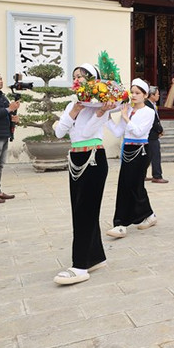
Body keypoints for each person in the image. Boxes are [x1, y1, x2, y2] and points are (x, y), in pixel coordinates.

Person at [52, 64, 115, 285]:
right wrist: (74, 111)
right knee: (80, 210)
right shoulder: (73, 104)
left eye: (82, 77)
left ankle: (80, 265)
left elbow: (86, 133)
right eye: (75, 77)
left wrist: (99, 112)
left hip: (94, 158)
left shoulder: (102, 105)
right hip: (76, 159)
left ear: (93, 82)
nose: (77, 80)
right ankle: (95, 258)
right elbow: (59, 132)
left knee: (86, 211)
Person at [106, 79, 158, 238]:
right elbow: (117, 132)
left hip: (141, 150)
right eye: (132, 92)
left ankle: (120, 224)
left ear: (145, 95)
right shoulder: (127, 110)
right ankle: (149, 215)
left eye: (137, 93)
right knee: (132, 186)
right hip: (127, 149)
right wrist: (106, 115)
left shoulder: (148, 112)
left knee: (129, 186)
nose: (134, 96)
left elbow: (139, 131)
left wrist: (126, 117)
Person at [0, 72, 19, 204]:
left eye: (1, 79)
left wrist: (13, 117)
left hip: (4, 134)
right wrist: (8, 109)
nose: (1, 81)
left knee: (0, 165)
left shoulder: (1, 96)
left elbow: (6, 112)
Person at [145, 86, 168, 184]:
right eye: (157, 94)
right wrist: (160, 130)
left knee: (149, 155)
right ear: (152, 95)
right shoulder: (148, 105)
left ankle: (142, 174)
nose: (158, 95)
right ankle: (157, 176)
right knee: (155, 155)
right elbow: (153, 121)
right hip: (151, 134)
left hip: (151, 134)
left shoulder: (152, 104)